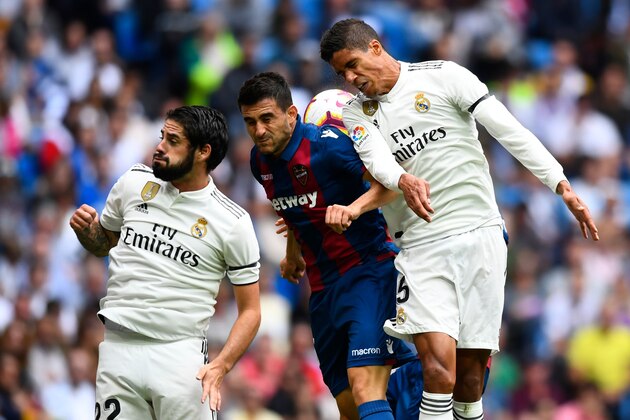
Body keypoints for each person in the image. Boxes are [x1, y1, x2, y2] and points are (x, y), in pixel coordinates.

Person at [320, 18, 599, 420]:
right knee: (437, 370)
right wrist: (401, 177)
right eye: (340, 73)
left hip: (481, 234)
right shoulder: (355, 112)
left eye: (352, 64)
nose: (349, 78)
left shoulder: (445, 76)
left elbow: (508, 129)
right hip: (421, 247)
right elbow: (379, 162)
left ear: (376, 48)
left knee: (469, 382)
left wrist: (560, 184)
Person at [238, 71, 417, 420]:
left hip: (369, 272)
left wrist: (353, 208)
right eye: (249, 122)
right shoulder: (260, 163)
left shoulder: (328, 146)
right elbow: (292, 206)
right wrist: (292, 255)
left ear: (292, 115)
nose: (259, 130)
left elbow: (393, 184)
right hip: (321, 291)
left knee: (366, 385)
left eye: (267, 118)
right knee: (349, 408)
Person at [69, 105, 261, 419]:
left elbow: (251, 311)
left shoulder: (232, 222)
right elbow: (105, 244)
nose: (160, 146)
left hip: (180, 356)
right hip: (119, 347)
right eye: (162, 136)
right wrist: (87, 233)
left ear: (203, 152)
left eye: (173, 141)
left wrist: (221, 365)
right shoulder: (132, 183)